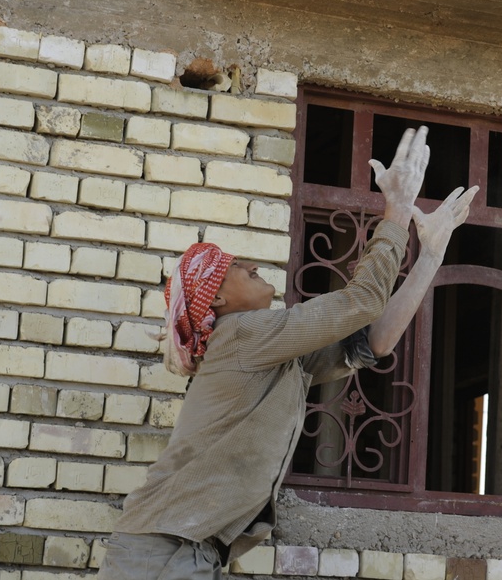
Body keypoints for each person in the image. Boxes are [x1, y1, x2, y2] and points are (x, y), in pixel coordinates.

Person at [97, 125, 478, 579]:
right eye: (237, 267)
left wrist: (430, 256)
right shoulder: (239, 335)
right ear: (216, 302)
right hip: (163, 551)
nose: (252, 264)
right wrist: (396, 208)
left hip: (183, 548)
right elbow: (360, 302)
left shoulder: (272, 353)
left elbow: (370, 341)